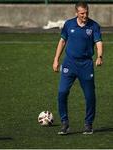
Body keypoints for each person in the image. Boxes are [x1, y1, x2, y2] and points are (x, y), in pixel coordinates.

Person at [52, 1, 103, 135]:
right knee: (62, 92)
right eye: (82, 13)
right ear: (76, 13)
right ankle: (64, 123)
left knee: (90, 96)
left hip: (86, 65)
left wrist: (99, 56)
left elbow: (98, 42)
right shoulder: (69, 24)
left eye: (86, 12)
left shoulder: (94, 26)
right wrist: (56, 59)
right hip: (69, 63)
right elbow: (62, 41)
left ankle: (88, 124)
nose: (85, 15)